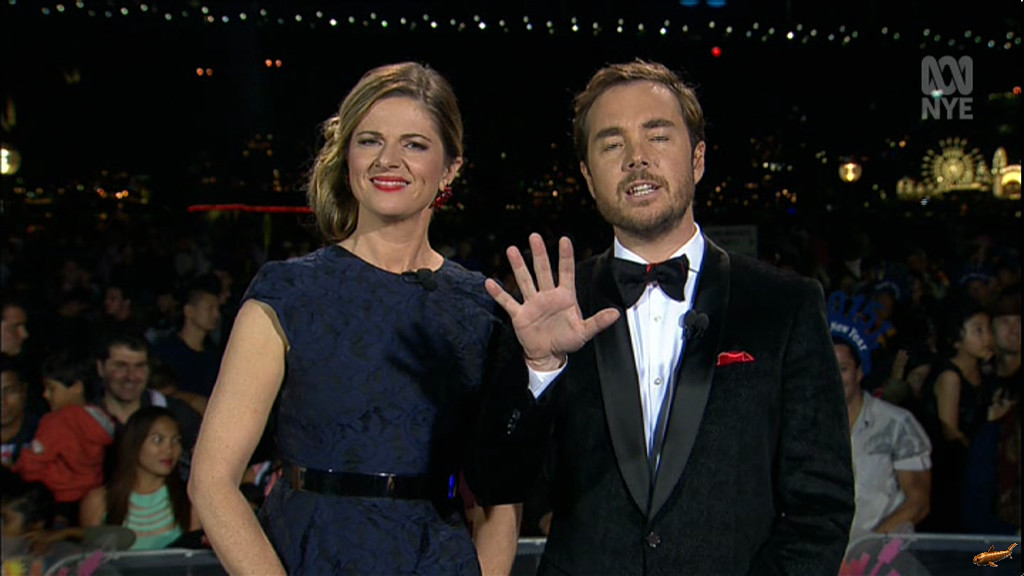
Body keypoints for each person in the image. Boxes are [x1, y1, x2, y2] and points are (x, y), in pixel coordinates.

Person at [485, 60, 854, 574]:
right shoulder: (550, 309)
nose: (636, 158)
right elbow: (499, 484)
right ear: (588, 177)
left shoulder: (783, 305)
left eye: (657, 137)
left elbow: (821, 507)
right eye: (612, 145)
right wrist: (540, 370)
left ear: (698, 159)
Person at [189, 62, 522, 575]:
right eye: (370, 141)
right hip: (308, 556)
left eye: (415, 144)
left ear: (450, 168)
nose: (389, 160)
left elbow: (499, 495)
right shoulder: (289, 293)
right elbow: (212, 481)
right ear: (347, 156)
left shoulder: (483, 307)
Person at [13, 349, 116, 526]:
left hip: (56, 501)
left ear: (76, 387)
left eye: (52, 388)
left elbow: (33, 463)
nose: (45, 395)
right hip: (90, 501)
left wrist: (16, 474)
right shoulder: (102, 420)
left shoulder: (56, 421)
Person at [80, 406, 199, 550]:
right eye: (158, 440)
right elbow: (91, 562)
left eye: (175, 440)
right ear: (134, 442)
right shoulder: (98, 502)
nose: (169, 449)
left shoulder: (192, 500)